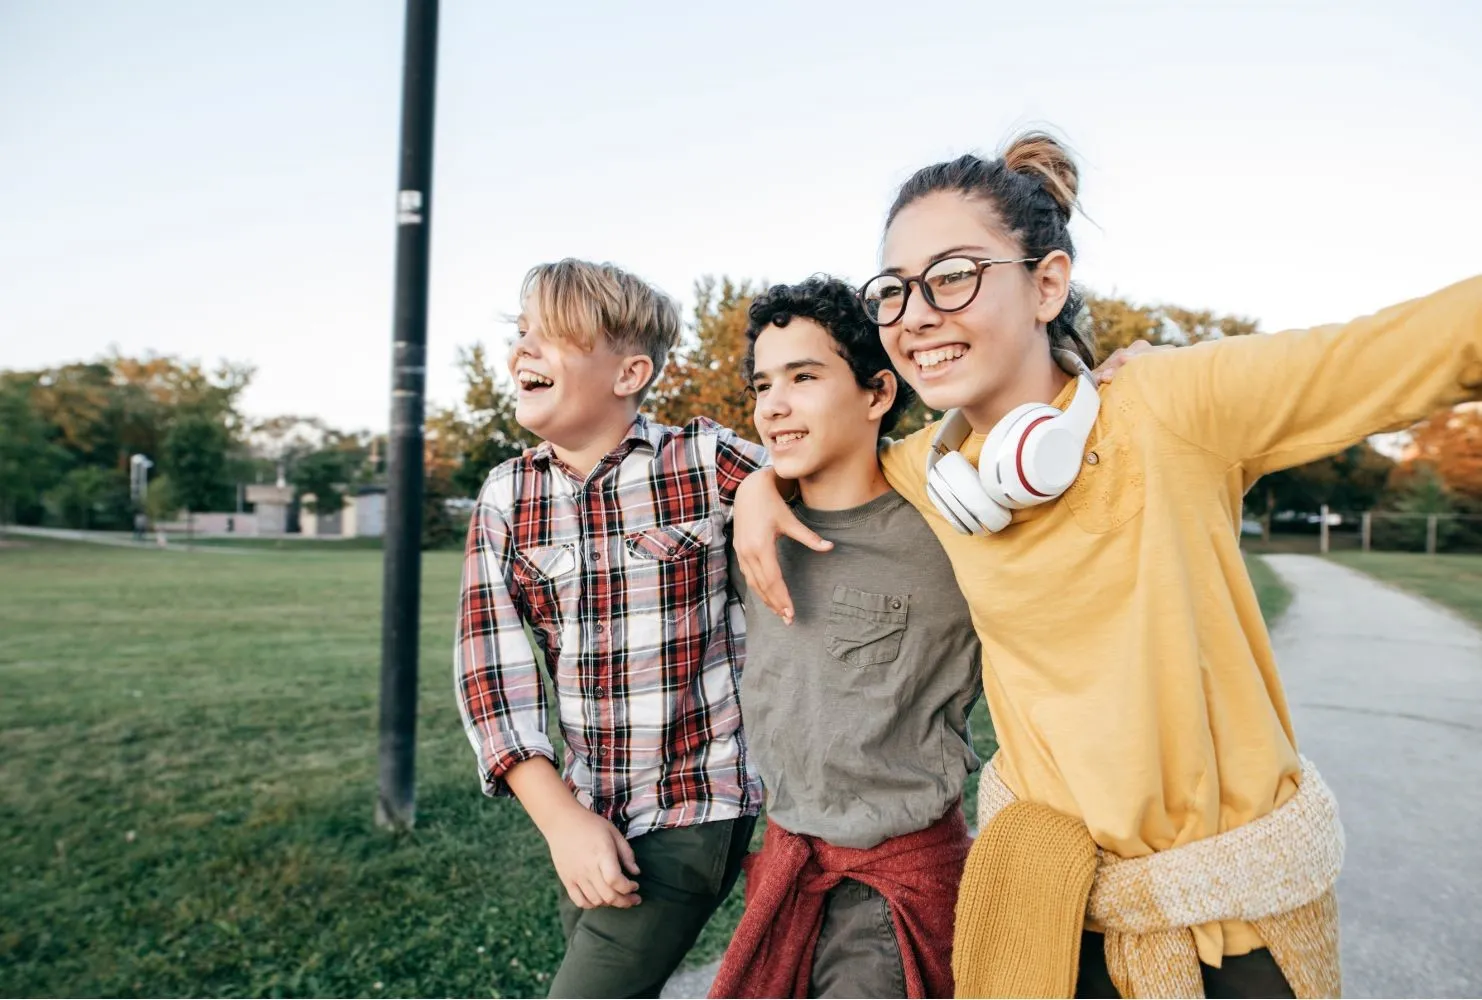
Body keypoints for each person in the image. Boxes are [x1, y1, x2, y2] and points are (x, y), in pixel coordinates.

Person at [732, 131, 1482, 999]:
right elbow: (809, 446)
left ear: (1047, 284)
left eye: (954, 277)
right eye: (894, 291)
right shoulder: (927, 475)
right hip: (1053, 914)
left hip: (1231, 922)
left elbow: (1431, 343)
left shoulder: (1175, 403)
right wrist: (760, 482)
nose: (916, 315)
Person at [454, 259, 765, 999]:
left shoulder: (701, 458)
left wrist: (763, 491)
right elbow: (490, 675)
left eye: (552, 335)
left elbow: (828, 468)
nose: (522, 350)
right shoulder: (507, 493)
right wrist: (562, 823)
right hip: (587, 809)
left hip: (698, 802)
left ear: (628, 373)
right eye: (521, 332)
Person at [707, 277, 983, 999]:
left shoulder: (947, 529)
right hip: (793, 867)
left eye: (804, 376)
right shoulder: (750, 530)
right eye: (763, 383)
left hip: (891, 890)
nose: (773, 403)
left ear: (876, 393)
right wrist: (752, 491)